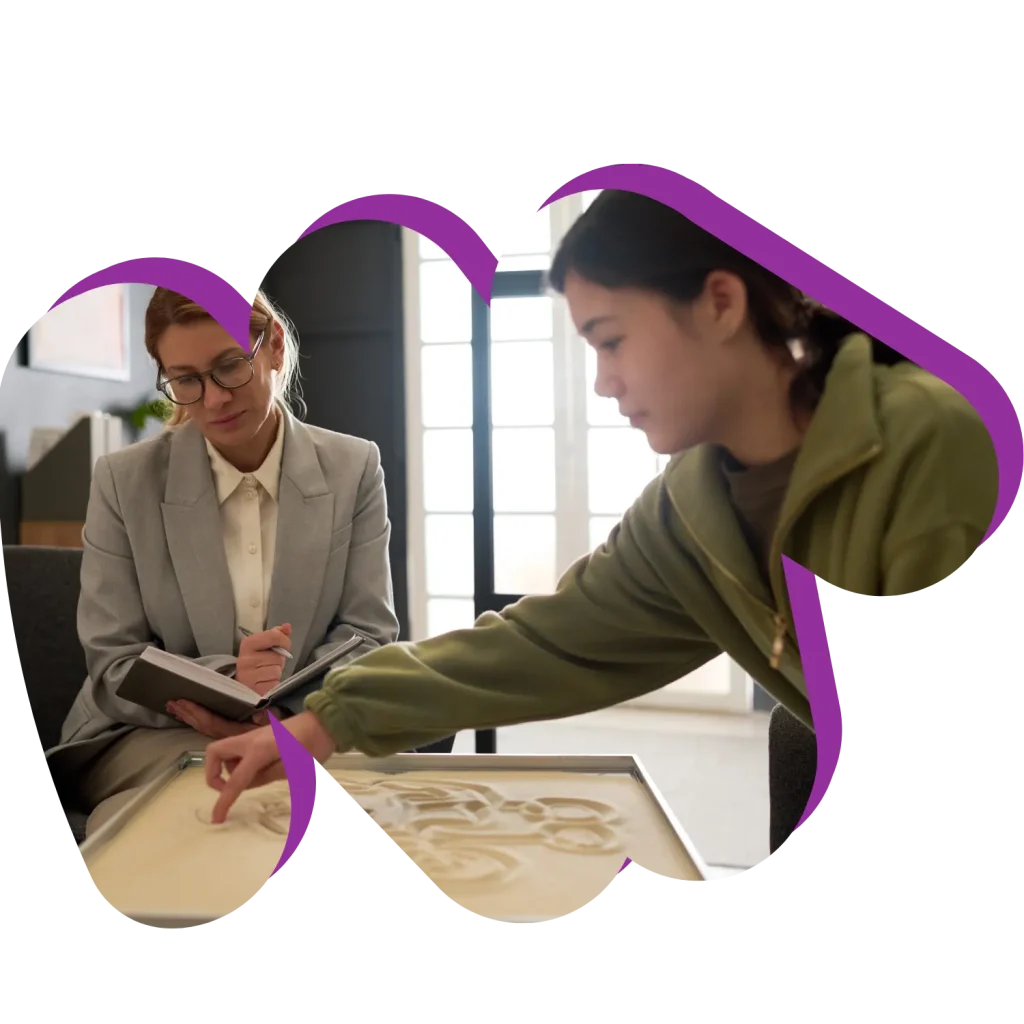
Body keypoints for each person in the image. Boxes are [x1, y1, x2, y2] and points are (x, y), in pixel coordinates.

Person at [202, 190, 999, 836]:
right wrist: (327, 721)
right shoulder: (690, 516)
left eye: (611, 340)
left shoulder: (931, 445)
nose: (601, 384)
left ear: (720, 301)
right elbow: (544, 642)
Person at [43, 286, 451, 839]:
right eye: (186, 379)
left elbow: (368, 635)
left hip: (300, 725)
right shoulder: (124, 481)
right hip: (145, 734)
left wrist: (280, 713)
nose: (212, 399)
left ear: (274, 347)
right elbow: (115, 665)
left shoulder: (353, 468)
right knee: (220, 812)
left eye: (229, 366)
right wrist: (230, 679)